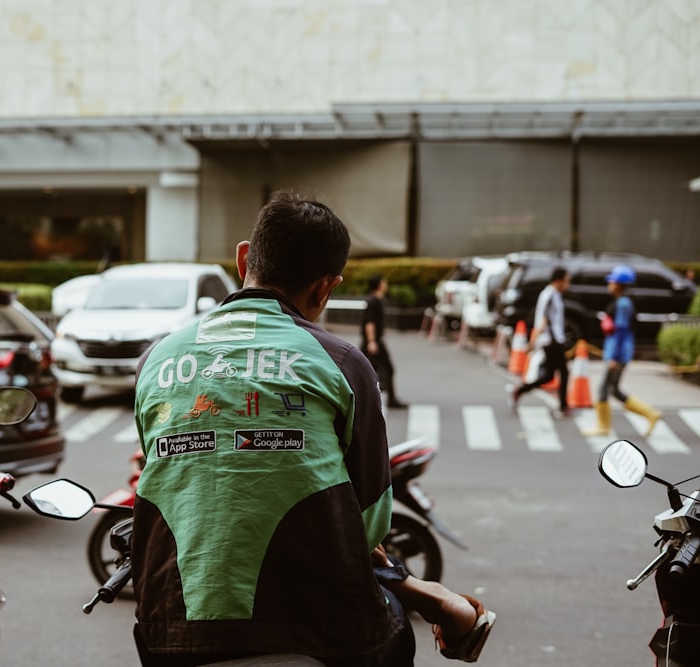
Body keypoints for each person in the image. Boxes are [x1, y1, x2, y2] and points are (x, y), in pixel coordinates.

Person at [132, 190, 494, 666]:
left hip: (167, 630)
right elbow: (369, 520)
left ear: (245, 259)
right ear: (326, 287)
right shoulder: (342, 362)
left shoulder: (156, 360)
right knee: (391, 637)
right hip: (316, 629)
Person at [583, 264, 661, 437]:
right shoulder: (622, 302)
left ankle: (604, 426)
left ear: (619, 284)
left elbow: (620, 331)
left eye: (613, 281)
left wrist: (614, 357)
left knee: (604, 390)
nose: (609, 284)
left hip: (618, 355)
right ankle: (650, 413)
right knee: (613, 390)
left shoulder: (623, 304)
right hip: (618, 353)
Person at [508, 267, 571, 417]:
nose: (568, 285)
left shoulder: (554, 295)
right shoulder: (549, 295)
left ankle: (521, 390)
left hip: (554, 339)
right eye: (566, 281)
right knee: (564, 373)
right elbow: (543, 321)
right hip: (552, 341)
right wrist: (532, 343)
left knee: (549, 375)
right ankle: (562, 406)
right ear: (558, 280)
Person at [361, 274, 407, 408]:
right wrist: (372, 341)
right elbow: (370, 323)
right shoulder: (373, 301)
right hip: (374, 342)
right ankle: (382, 394)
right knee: (385, 369)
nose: (386, 284)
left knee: (372, 371)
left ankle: (385, 397)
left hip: (375, 341)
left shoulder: (377, 300)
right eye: (384, 282)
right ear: (379, 285)